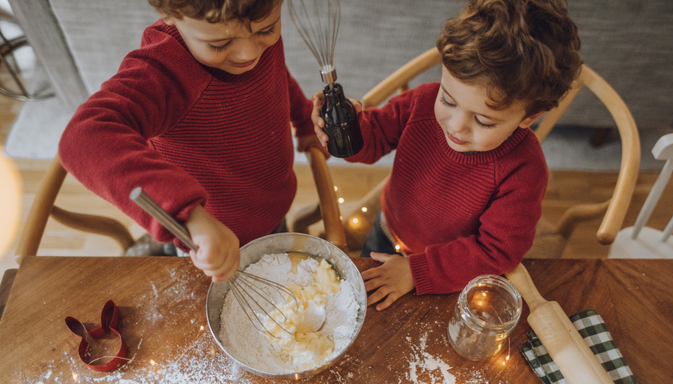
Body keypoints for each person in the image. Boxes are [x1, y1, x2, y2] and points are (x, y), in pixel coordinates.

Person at [312, 0, 582, 310]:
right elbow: (372, 140)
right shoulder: (423, 102)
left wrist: (417, 271)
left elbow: (496, 252)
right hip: (388, 230)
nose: (456, 126)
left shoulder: (523, 169)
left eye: (483, 120)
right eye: (448, 99)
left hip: (451, 269)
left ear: (529, 117)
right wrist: (342, 132)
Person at [58, 0, 322, 282]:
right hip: (209, 242)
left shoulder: (251, 33)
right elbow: (83, 136)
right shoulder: (164, 74)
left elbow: (274, 76)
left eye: (267, 30)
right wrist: (187, 215)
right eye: (220, 44)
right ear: (169, 15)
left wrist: (303, 117)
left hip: (271, 209)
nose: (249, 53)